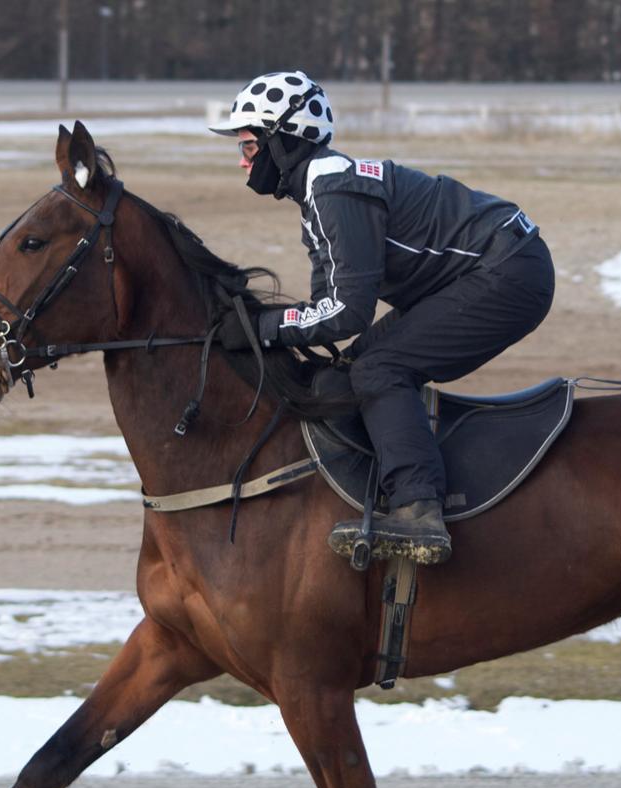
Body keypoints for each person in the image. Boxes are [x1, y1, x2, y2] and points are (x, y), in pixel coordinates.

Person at [209, 70, 555, 565]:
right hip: (494, 266)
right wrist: (268, 324)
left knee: (378, 369)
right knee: (357, 365)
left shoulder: (333, 191)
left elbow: (345, 313)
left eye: (247, 148)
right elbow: (327, 302)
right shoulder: (321, 191)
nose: (243, 165)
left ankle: (419, 509)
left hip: (508, 271)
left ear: (283, 141)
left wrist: (261, 329)